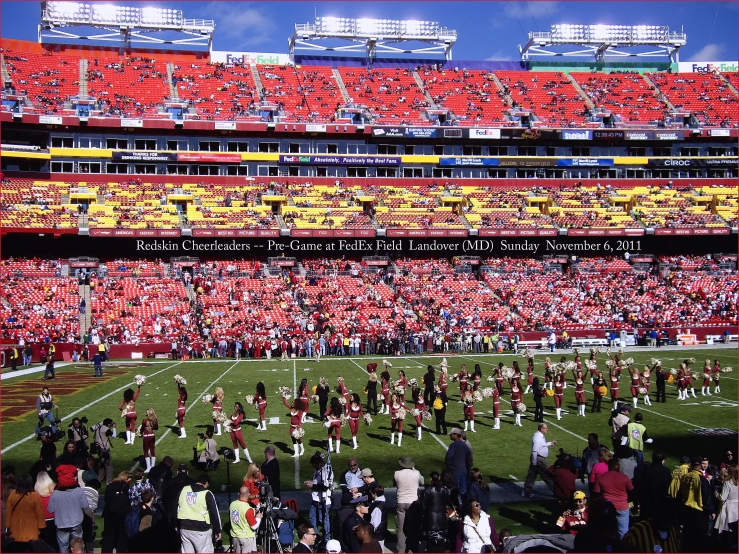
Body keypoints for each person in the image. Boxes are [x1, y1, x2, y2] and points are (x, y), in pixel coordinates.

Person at [177, 473, 222, 553]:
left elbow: (176, 507)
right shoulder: (207, 493)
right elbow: (214, 513)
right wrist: (218, 530)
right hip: (201, 530)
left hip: (184, 528)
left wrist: (176, 525)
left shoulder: (184, 489)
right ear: (206, 483)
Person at [48, 482, 94, 554]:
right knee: (77, 547)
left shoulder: (55, 494)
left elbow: (50, 509)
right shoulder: (79, 491)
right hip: (76, 523)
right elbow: (85, 506)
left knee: (63, 548)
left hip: (61, 525)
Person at [593, 458, 634, 539]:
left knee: (606, 530)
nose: (620, 467)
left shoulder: (601, 478)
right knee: (623, 531)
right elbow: (632, 491)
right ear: (615, 466)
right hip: (622, 507)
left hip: (607, 507)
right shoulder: (624, 477)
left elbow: (596, 494)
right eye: (619, 465)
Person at [5, 474, 46, 548]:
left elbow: (8, 512)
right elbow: (39, 513)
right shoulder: (35, 496)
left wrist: (7, 525)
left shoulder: (12, 494)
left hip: (16, 528)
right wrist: (41, 526)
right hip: (31, 529)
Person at [394, 456, 423, 554]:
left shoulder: (397, 474)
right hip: (413, 503)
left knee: (401, 527)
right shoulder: (416, 473)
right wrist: (415, 471)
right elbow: (422, 482)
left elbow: (395, 483)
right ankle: (412, 548)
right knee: (413, 527)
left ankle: (401, 549)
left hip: (401, 502)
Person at [101, 471, 132, 553]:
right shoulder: (126, 486)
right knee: (121, 537)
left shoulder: (110, 486)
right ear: (127, 479)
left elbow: (106, 499)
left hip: (109, 514)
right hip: (121, 515)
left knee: (108, 538)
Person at [523, 423, 556, 498]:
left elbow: (542, 445)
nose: (547, 429)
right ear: (541, 429)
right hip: (539, 459)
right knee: (547, 476)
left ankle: (526, 492)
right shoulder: (538, 438)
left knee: (531, 476)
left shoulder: (538, 436)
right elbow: (535, 450)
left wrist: (550, 443)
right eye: (546, 428)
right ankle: (556, 491)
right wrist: (534, 462)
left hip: (537, 459)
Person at [305, 451, 333, 537]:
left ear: (319, 463)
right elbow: (316, 480)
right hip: (316, 499)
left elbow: (325, 486)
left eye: (314, 464)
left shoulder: (327, 470)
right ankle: (315, 536)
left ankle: (326, 539)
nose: (313, 466)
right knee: (312, 518)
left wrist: (313, 486)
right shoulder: (317, 470)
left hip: (324, 500)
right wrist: (311, 482)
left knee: (323, 520)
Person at [421, 472, 449, 551]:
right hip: (442, 519)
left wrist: (422, 517)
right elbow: (448, 502)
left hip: (430, 520)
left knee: (430, 542)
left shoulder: (427, 490)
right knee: (441, 541)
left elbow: (423, 506)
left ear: (430, 478)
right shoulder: (444, 489)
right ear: (439, 477)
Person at [229, 486, 262, 553]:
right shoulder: (248, 509)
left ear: (239, 494)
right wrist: (258, 518)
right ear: (248, 494)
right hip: (246, 537)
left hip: (235, 536)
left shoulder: (232, 504)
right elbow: (254, 526)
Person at [715, 465, 738, 550]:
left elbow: (722, 498)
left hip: (729, 507)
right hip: (737, 507)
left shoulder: (728, 483)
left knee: (726, 529)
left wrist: (716, 494)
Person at [446, 428, 472, 496]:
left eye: (451, 434)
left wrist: (448, 469)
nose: (450, 436)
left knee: (455, 490)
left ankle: (456, 504)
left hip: (455, 471)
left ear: (456, 435)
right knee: (463, 490)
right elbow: (469, 456)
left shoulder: (453, 445)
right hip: (464, 470)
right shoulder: (464, 444)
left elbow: (448, 457)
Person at [90, 418, 115, 484]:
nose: (112, 425)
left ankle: (99, 479)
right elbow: (114, 435)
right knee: (108, 465)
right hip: (104, 450)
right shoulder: (106, 429)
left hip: (98, 449)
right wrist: (114, 428)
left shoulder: (98, 428)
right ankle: (108, 481)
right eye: (111, 423)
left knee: (102, 464)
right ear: (108, 424)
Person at [368, 482, 387, 551]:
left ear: (374, 494)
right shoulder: (382, 503)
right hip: (381, 534)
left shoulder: (377, 507)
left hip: (377, 536)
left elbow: (374, 524)